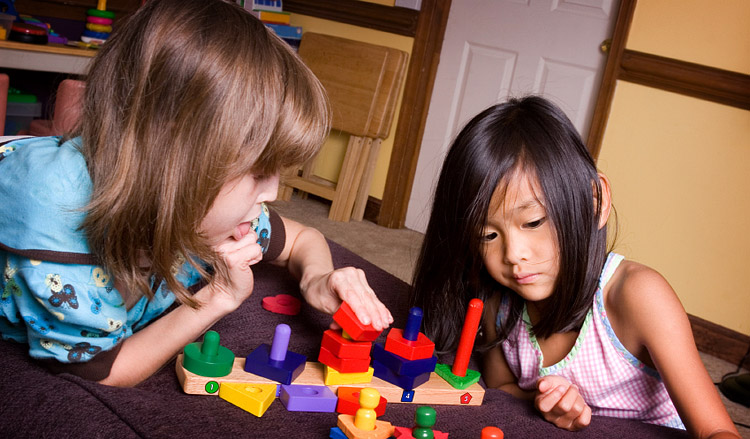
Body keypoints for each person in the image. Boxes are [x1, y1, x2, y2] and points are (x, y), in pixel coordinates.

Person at [0, 0, 392, 387]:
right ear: (176, 162)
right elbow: (105, 371)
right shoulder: (54, 238)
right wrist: (217, 298)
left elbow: (305, 238)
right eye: (258, 172)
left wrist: (318, 277)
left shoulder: (198, 197)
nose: (273, 191)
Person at [410, 96, 740, 437]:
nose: (513, 254)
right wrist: (549, 403)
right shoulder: (498, 304)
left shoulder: (638, 295)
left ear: (594, 201)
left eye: (534, 222)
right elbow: (501, 389)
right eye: (488, 234)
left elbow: (717, 430)